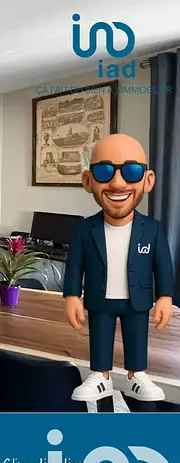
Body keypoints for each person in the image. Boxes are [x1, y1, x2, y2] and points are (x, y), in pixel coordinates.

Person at [64, 134, 175, 402]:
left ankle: (136, 375)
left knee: (137, 337)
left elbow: (163, 265)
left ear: (148, 180)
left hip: (137, 299)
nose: (117, 183)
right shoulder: (84, 229)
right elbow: (74, 264)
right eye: (104, 172)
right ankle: (100, 376)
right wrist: (71, 296)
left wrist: (165, 296)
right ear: (88, 181)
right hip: (99, 298)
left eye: (132, 172)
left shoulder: (153, 229)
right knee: (99, 335)